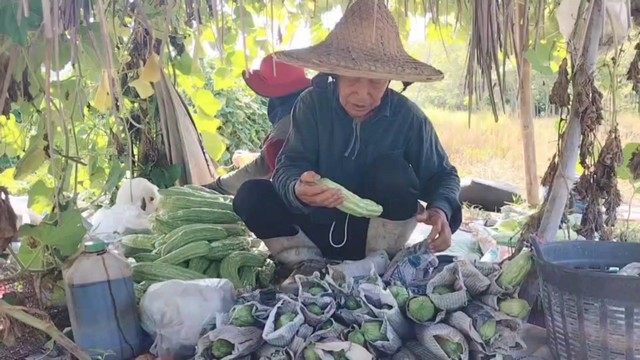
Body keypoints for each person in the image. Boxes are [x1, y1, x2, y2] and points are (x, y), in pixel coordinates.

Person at [233, 0, 462, 286]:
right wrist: (297, 188)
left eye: (376, 82)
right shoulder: (311, 105)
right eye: (353, 79)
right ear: (335, 74)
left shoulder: (408, 118)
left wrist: (441, 209)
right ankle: (306, 263)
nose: (363, 94)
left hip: (376, 239)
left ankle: (376, 263)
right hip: (315, 231)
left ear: (391, 80)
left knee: (393, 172)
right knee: (250, 195)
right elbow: (288, 167)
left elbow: (444, 175)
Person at [206, 54, 312, 195]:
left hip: (305, 196)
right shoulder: (308, 109)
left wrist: (217, 186)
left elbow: (261, 168)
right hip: (311, 190)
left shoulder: (289, 120)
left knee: (250, 197)